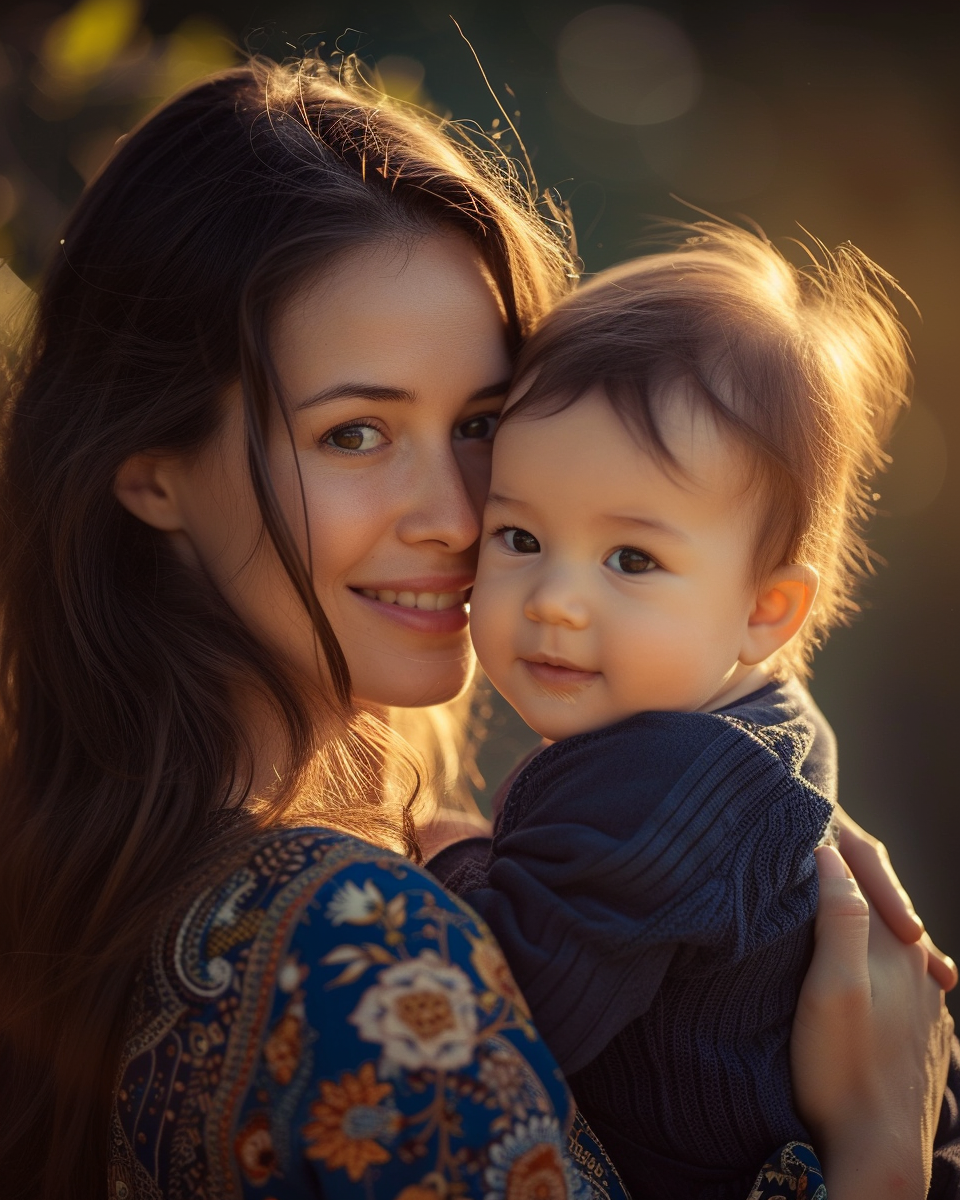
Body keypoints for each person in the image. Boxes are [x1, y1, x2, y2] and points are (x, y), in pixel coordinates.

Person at [0, 57, 951, 1200]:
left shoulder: (91, 890)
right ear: (152, 473)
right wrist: (881, 1158)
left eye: (483, 422)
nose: (460, 517)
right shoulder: (377, 948)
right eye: (356, 434)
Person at [437, 227, 960, 1197]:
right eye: (518, 534)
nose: (554, 597)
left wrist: (445, 853)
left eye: (631, 559)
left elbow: (495, 1004)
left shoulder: (663, 776)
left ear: (766, 609)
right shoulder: (771, 732)